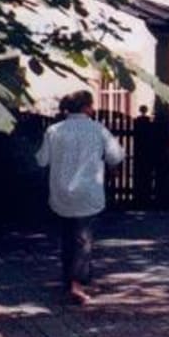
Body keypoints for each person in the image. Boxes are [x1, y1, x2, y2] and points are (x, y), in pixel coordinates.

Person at [35, 90, 124, 305]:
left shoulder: (54, 130)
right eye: (92, 105)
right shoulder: (98, 130)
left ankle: (68, 280)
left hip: (60, 193)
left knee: (67, 237)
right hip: (88, 192)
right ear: (86, 107)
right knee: (83, 239)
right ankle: (77, 284)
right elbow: (116, 155)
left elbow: (41, 160)